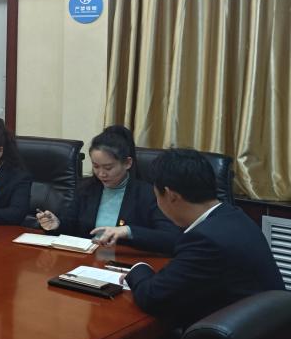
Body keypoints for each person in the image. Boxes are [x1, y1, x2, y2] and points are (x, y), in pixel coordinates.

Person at [124, 148, 283, 328]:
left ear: (171, 195)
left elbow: (153, 297)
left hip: (234, 338)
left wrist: (138, 269)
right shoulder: (232, 215)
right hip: (266, 329)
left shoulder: (205, 240)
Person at [37, 126, 179, 252]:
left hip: (125, 263)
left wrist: (128, 231)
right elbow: (71, 226)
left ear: (127, 163)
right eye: (96, 166)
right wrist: (56, 225)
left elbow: (171, 238)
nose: (101, 174)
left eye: (108, 168)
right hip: (87, 261)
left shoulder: (148, 194)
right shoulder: (85, 189)